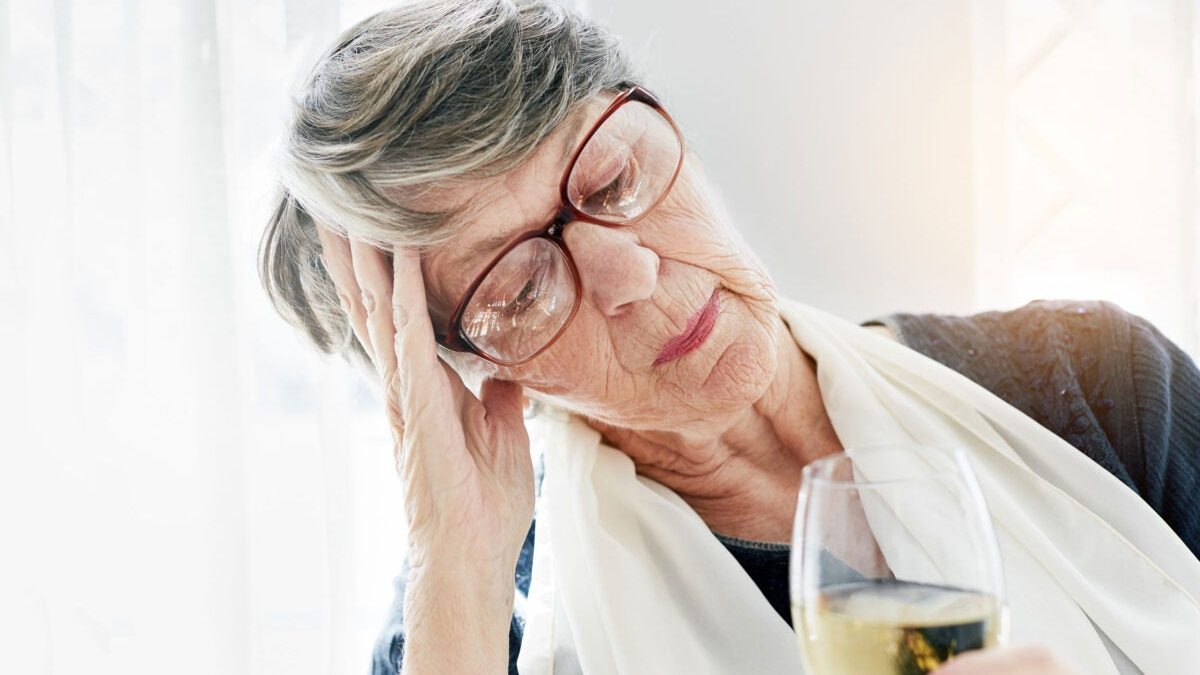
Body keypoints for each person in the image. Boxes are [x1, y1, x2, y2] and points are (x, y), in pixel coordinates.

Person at [258, 1, 1200, 673]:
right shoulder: (473, 623)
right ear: (465, 374)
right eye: (522, 286)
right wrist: (457, 569)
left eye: (614, 176)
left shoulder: (1101, 386)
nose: (630, 271)